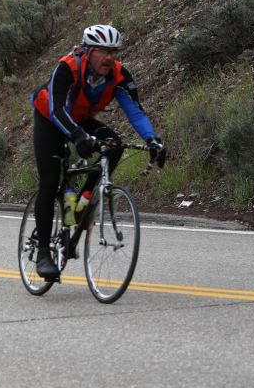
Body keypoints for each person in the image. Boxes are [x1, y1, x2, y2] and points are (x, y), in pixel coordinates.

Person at [30, 24, 166, 279]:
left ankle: (82, 205)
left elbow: (135, 112)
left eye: (113, 51)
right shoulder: (67, 68)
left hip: (80, 118)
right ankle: (43, 253)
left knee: (114, 145)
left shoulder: (119, 75)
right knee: (50, 181)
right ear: (88, 51)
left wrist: (153, 140)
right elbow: (58, 110)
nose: (109, 57)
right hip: (50, 117)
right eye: (103, 51)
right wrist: (78, 136)